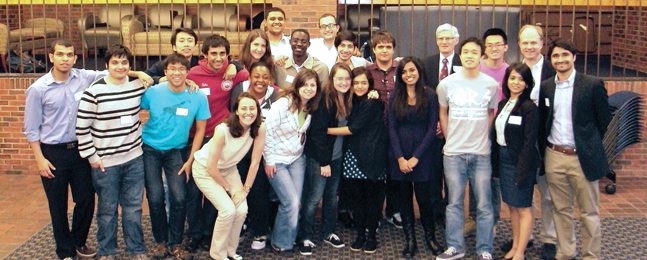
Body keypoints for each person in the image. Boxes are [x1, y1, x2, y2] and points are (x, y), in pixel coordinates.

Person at [23, 38, 150, 260]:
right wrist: (39, 159)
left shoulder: (83, 77)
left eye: (69, 55)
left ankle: (79, 242)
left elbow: (115, 72)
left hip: (80, 152)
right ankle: (64, 251)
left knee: (85, 201)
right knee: (58, 205)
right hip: (53, 152)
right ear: (51, 57)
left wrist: (138, 74)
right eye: (60, 54)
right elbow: (31, 128)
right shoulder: (38, 89)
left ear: (75, 57)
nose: (65, 59)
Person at [75, 44, 150, 260]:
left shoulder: (138, 85)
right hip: (105, 163)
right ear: (106, 65)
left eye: (124, 62)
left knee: (133, 208)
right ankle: (107, 250)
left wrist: (139, 73)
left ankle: (136, 248)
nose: (120, 66)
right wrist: (92, 157)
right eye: (115, 62)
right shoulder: (94, 92)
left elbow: (159, 80)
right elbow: (82, 128)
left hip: (134, 159)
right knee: (107, 210)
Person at [538, 38, 610, 260]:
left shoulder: (592, 84)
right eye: (556, 56)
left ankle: (590, 255)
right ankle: (565, 252)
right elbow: (545, 120)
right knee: (561, 209)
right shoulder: (547, 86)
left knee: (589, 212)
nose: (560, 60)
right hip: (554, 156)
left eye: (565, 55)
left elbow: (604, 120)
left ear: (574, 57)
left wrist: (588, 144)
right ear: (551, 60)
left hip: (582, 157)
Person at [140, 53, 210, 260]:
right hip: (150, 149)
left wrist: (191, 159)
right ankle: (161, 241)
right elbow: (136, 109)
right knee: (155, 198)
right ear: (165, 71)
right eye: (172, 68)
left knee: (179, 198)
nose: (177, 73)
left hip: (176, 152)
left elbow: (200, 130)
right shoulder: (153, 92)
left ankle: (175, 242)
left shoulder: (197, 96)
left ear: (188, 72)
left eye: (181, 69)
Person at [184, 34, 249, 252]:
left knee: (216, 188)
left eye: (223, 54)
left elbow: (249, 72)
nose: (219, 58)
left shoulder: (231, 71)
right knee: (193, 191)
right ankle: (194, 233)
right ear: (204, 55)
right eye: (214, 53)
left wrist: (235, 66)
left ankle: (207, 233)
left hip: (218, 139)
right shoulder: (193, 73)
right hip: (195, 137)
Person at [436, 37, 498, 260]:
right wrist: (448, 137)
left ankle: (484, 249)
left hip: (481, 153)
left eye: (474, 52)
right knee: (453, 203)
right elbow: (443, 112)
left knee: (483, 204)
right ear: (460, 56)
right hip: (453, 154)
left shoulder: (491, 85)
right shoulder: (446, 84)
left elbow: (491, 114)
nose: (470, 55)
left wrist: (484, 137)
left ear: (482, 56)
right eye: (466, 52)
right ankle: (455, 247)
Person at [501, 24, 557, 260]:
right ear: (519, 44)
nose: (529, 46)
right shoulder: (517, 70)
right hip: (519, 143)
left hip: (546, 141)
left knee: (547, 194)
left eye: (534, 42)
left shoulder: (553, 71)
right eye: (525, 42)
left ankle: (550, 238)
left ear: (542, 43)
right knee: (522, 196)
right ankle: (525, 237)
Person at [191, 92, 266, 260]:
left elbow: (255, 162)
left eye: (252, 108)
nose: (248, 112)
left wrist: (244, 190)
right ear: (237, 112)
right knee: (227, 210)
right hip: (205, 170)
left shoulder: (260, 128)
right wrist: (227, 188)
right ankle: (217, 254)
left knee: (242, 209)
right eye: (244, 108)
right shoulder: (222, 130)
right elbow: (211, 167)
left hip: (228, 169)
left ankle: (230, 250)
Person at [326, 66, 387, 254]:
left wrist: (324, 130)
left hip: (371, 157)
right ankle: (360, 234)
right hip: (353, 157)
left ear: (370, 84)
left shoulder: (371, 103)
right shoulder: (352, 101)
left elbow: (353, 128)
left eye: (364, 83)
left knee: (372, 200)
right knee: (357, 200)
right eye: (356, 82)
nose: (360, 86)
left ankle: (370, 236)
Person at [387, 57, 441, 257]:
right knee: (404, 200)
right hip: (399, 154)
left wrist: (416, 157)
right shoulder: (395, 96)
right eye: (404, 72)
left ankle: (430, 237)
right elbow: (391, 128)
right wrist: (400, 157)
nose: (408, 74)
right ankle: (410, 240)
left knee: (424, 199)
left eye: (412, 70)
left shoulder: (430, 95)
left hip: (423, 155)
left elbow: (431, 129)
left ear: (419, 71)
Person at [263, 68, 321, 252]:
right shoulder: (282, 104)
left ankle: (288, 237)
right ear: (297, 85)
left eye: (313, 85)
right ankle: (280, 243)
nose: (309, 88)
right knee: (291, 202)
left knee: (296, 202)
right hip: (276, 160)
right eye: (305, 84)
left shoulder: (311, 106)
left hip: (296, 159)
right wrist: (269, 161)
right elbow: (267, 133)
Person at [297, 63, 353, 256]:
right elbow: (317, 134)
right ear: (332, 80)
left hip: (336, 157)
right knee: (313, 198)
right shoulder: (324, 100)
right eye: (339, 78)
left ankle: (328, 232)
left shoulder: (348, 99)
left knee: (331, 198)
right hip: (320, 158)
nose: (343, 82)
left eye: (347, 79)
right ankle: (304, 236)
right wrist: (324, 163)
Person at [491, 63, 539, 260]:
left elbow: (529, 143)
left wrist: (522, 169)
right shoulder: (503, 104)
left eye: (521, 79)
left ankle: (520, 251)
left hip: (521, 162)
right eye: (512, 78)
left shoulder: (529, 108)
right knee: (511, 206)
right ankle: (514, 245)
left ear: (527, 83)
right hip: (503, 159)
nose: (516, 82)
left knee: (523, 207)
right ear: (506, 80)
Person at [228, 61, 278, 250]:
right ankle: (240, 226)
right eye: (256, 76)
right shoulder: (242, 97)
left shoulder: (276, 96)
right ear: (250, 78)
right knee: (236, 189)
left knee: (258, 192)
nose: (260, 80)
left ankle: (260, 232)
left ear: (270, 80)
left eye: (265, 77)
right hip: (239, 152)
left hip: (262, 153)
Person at [467, 27, 510, 238]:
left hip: (499, 132)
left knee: (493, 178)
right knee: (475, 176)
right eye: (490, 45)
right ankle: (474, 219)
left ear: (506, 47)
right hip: (475, 129)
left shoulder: (511, 72)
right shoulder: (476, 68)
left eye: (498, 45)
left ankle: (492, 222)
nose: (494, 48)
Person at [421, 23, 462, 228]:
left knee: (453, 176)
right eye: (440, 39)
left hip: (458, 130)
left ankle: (451, 212)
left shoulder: (465, 63)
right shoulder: (427, 63)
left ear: (456, 40)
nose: (444, 42)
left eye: (448, 38)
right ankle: (436, 212)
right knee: (434, 173)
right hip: (432, 129)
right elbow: (424, 97)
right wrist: (435, 122)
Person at [365, 31, 402, 229]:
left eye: (388, 46)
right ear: (374, 49)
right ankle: (376, 212)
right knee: (377, 174)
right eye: (380, 47)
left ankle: (393, 211)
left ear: (393, 49)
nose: (385, 50)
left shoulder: (402, 68)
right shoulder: (368, 71)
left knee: (395, 174)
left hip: (399, 130)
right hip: (376, 131)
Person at [144, 28, 241, 85]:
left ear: (195, 46)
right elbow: (145, 76)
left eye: (190, 41)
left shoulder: (200, 63)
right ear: (174, 47)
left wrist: (232, 66)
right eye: (182, 41)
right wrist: (160, 79)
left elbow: (217, 62)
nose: (186, 44)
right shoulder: (164, 64)